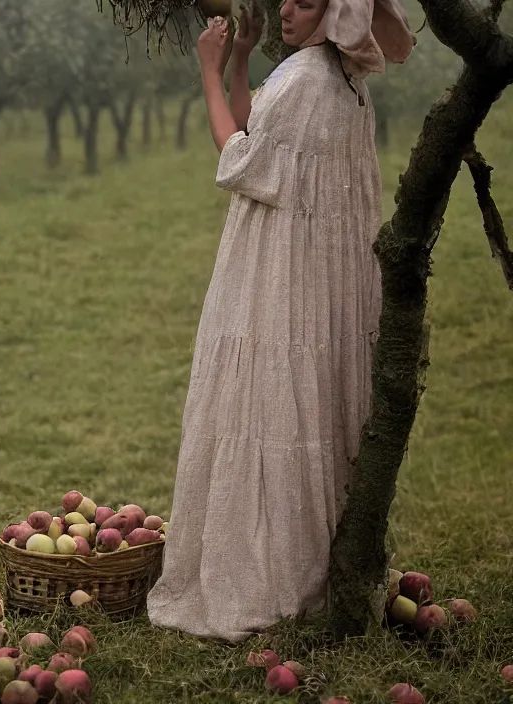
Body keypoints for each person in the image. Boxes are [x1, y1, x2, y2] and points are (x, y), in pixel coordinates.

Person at [145, 0, 416, 643]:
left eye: (304, 0)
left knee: (262, 405)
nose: (287, 9)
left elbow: (237, 159)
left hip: (277, 271)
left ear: (335, 11)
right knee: (297, 406)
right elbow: (254, 133)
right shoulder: (342, 83)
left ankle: (260, 580)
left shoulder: (304, 79)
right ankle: (304, 567)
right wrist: (242, 57)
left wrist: (209, 71)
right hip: (309, 274)